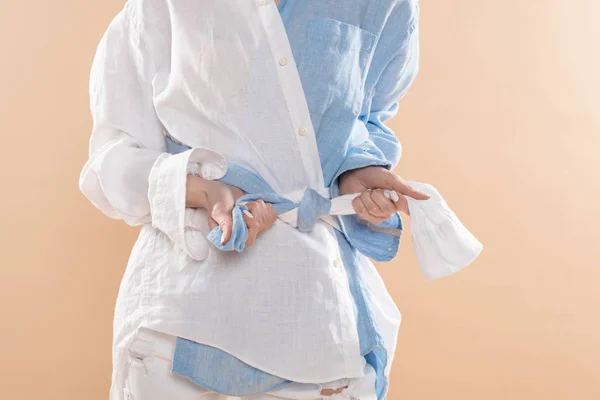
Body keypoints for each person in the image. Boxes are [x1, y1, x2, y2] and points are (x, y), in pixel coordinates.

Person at [79, 0, 426, 399]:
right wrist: (202, 189)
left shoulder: (387, 5)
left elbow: (368, 120)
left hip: (320, 326)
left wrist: (355, 172)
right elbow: (112, 156)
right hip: (180, 328)